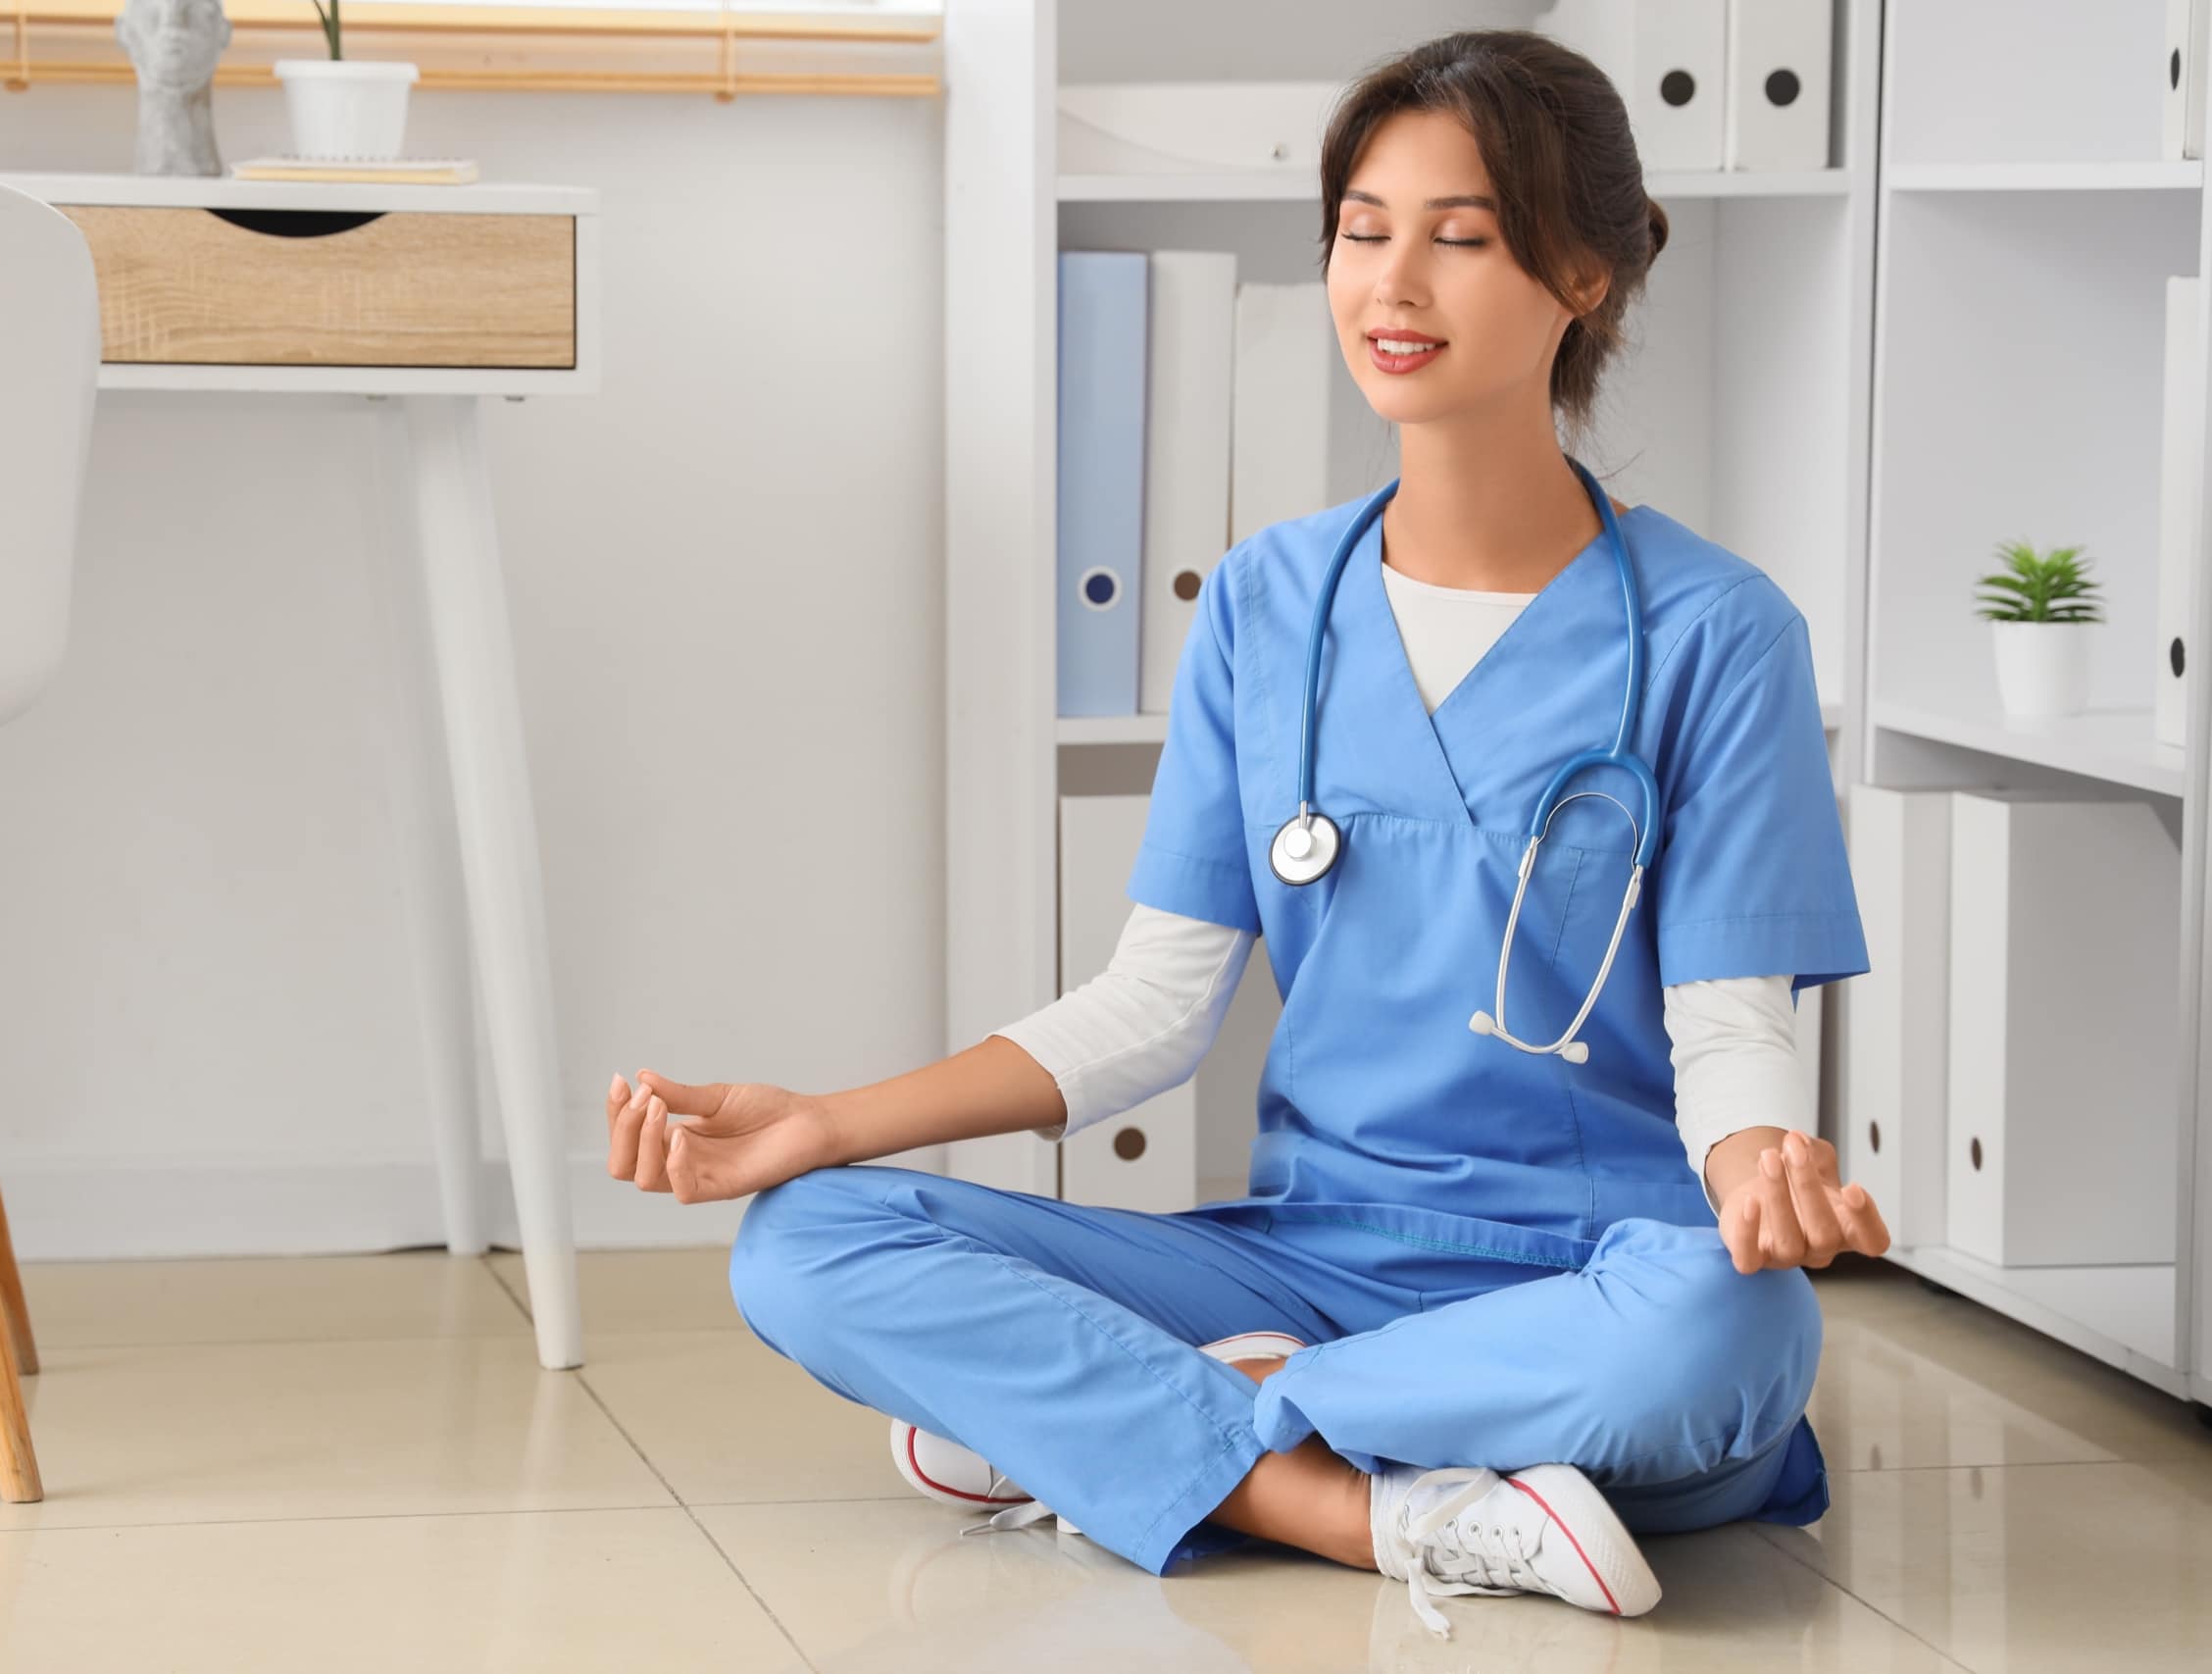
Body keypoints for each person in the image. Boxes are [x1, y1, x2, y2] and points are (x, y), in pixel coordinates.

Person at [599, 27, 1887, 1642]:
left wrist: (1760, 1161)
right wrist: (826, 1123)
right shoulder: (1269, 604)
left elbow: (1730, 1023)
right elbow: (1149, 1013)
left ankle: (1129, 1426)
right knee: (806, 1242)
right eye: (1361, 228)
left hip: (1592, 1277)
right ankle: (1361, 1501)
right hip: (1306, 1254)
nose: (1391, 282)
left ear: (1585, 276)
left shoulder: (1717, 630)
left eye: (1460, 236)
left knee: (1731, 1338)